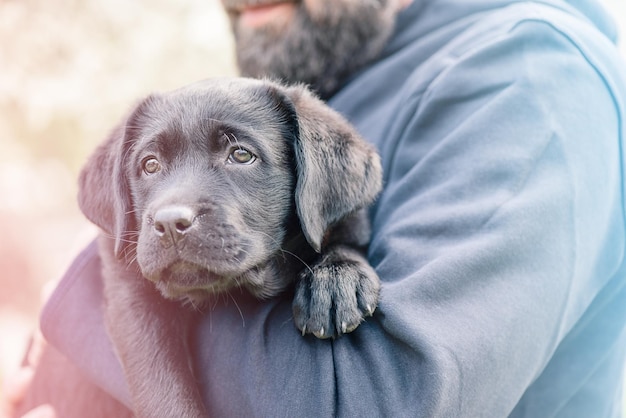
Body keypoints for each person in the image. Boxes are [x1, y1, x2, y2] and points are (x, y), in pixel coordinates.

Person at [8, 0, 626, 416]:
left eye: (241, 156)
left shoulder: (528, 78)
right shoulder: (338, 68)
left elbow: (376, 394)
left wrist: (84, 305)